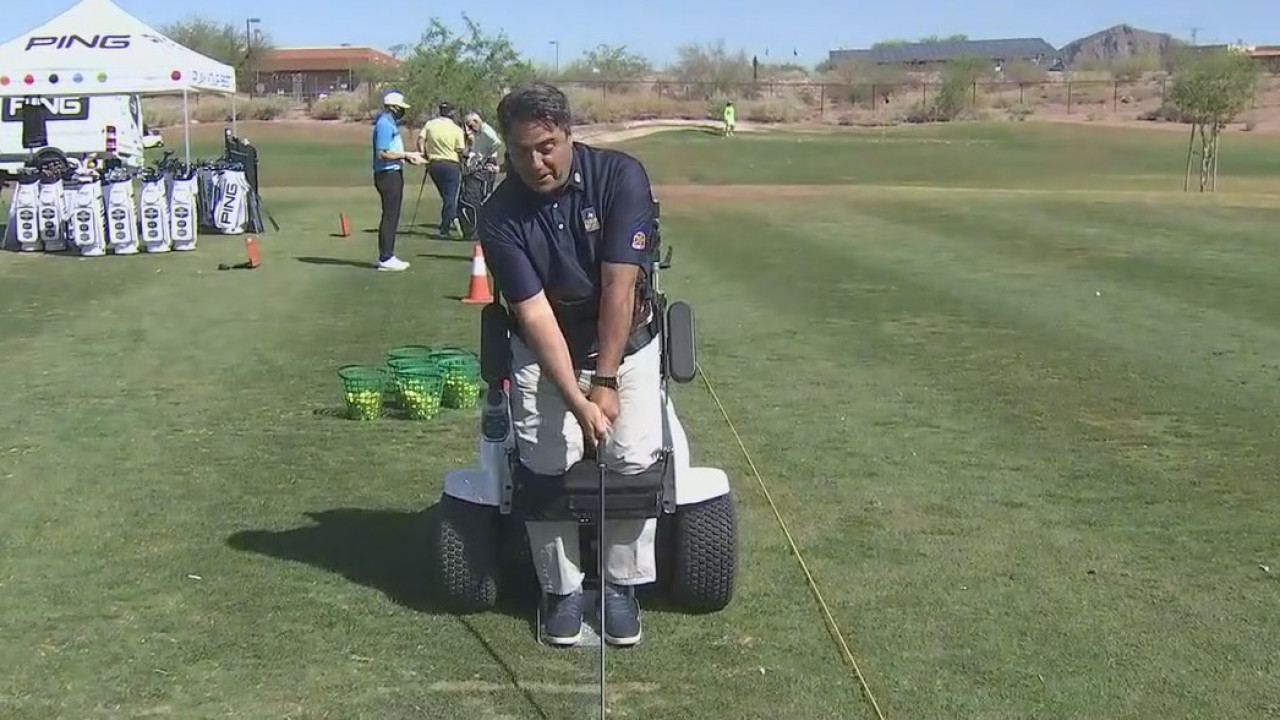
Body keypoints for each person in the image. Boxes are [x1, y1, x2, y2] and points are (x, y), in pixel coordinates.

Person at [476, 82, 661, 648]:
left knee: (631, 459)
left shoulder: (620, 176)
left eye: (547, 147)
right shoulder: (498, 214)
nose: (536, 163)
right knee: (545, 461)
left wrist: (604, 380)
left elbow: (619, 286)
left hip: (623, 337)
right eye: (521, 151)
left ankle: (620, 585)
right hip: (545, 343)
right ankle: (561, 590)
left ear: (568, 135)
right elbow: (533, 315)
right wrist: (578, 401)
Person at [371, 90, 424, 271]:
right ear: (393, 107)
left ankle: (387, 255)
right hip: (387, 175)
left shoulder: (389, 123)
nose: (403, 111)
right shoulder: (385, 124)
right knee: (390, 215)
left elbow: (392, 152)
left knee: (392, 214)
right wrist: (406, 155)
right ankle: (386, 258)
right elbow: (382, 153)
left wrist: (407, 158)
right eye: (400, 108)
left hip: (392, 172)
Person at [417, 102, 467, 239]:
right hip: (451, 164)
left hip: (434, 164)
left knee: (446, 197)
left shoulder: (430, 124)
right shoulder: (456, 129)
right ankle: (446, 228)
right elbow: (460, 150)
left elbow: (420, 140)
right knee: (450, 197)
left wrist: (423, 155)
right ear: (452, 113)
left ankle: (452, 219)